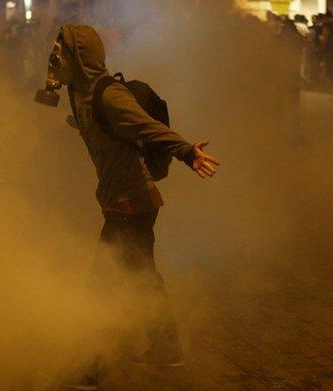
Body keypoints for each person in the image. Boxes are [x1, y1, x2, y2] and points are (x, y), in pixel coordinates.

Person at [37, 25, 220, 387]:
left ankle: (89, 369)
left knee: (102, 286)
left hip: (131, 205)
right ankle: (167, 350)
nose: (54, 54)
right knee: (144, 279)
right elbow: (91, 123)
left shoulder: (109, 95)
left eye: (61, 49)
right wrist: (57, 92)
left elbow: (147, 127)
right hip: (125, 202)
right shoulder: (81, 92)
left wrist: (186, 152)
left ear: (80, 57)